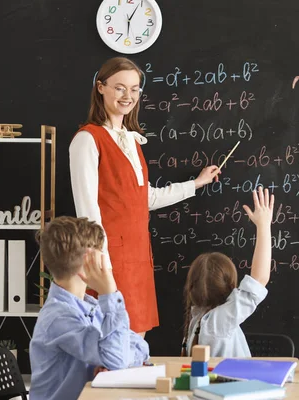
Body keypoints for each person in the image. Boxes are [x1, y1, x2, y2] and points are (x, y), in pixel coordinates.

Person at [69, 57, 220, 336]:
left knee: (136, 338)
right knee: (111, 341)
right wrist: (102, 267)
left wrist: (196, 184)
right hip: (109, 259)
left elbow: (145, 199)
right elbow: (87, 213)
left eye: (135, 89)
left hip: (138, 255)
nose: (128, 97)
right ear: (100, 87)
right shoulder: (88, 139)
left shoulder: (130, 139)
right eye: (120, 88)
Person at [30, 216, 149, 400]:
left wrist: (118, 359)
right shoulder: (58, 317)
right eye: (101, 254)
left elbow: (141, 346)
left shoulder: (90, 306)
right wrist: (110, 292)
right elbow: (118, 358)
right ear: (88, 260)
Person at [181, 186, 274, 357]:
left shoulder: (197, 318)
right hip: (234, 383)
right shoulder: (219, 321)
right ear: (230, 285)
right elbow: (259, 279)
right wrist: (264, 225)